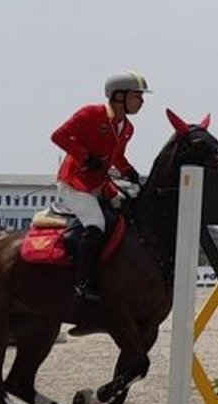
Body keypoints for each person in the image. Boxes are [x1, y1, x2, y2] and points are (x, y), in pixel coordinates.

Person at [51, 71, 150, 303]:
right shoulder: (90, 114)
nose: (142, 101)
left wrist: (131, 173)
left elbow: (118, 158)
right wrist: (85, 157)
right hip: (74, 183)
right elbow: (58, 136)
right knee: (96, 224)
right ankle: (81, 284)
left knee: (127, 214)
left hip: (100, 184)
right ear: (119, 96)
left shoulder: (127, 128)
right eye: (137, 96)